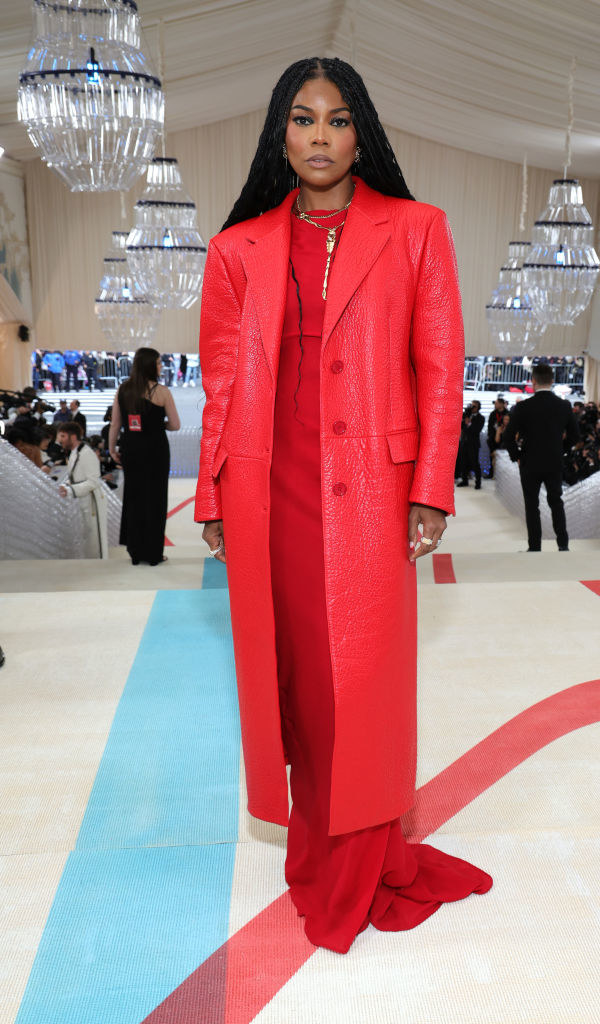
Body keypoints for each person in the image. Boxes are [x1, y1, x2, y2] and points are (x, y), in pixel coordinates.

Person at [195, 57, 492, 956]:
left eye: (336, 120)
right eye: (302, 119)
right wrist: (211, 489)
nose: (319, 136)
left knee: (354, 682)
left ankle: (362, 858)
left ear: (360, 132)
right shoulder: (235, 247)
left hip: (368, 489)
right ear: (279, 135)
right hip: (268, 487)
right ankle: (320, 842)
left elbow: (442, 371)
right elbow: (221, 381)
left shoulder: (416, 229)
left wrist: (429, 487)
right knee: (291, 674)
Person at [109, 347, 180, 566]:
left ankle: (135, 551)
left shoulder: (123, 389)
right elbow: (175, 425)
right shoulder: (162, 392)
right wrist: (160, 425)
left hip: (132, 449)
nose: (161, 366)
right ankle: (154, 554)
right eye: (158, 363)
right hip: (156, 450)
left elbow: (115, 424)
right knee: (156, 499)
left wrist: (112, 449)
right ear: (150, 365)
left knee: (134, 497)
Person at [502, 362, 579, 551]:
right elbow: (575, 436)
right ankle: (563, 545)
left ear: (533, 381)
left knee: (532, 505)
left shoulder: (523, 407)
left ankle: (535, 547)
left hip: (529, 462)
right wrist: (561, 450)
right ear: (552, 381)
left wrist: (517, 456)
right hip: (554, 461)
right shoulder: (564, 405)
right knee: (556, 502)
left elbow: (507, 436)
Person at [56, 421, 108, 559]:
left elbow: (93, 481)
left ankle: (98, 567)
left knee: (94, 538)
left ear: (73, 437)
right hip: (83, 499)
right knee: (87, 536)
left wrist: (71, 490)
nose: (59, 440)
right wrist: (67, 486)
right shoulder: (74, 452)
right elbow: (75, 476)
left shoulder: (87, 454)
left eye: (62, 436)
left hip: (92, 502)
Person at [456, 399, 484, 487]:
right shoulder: (465, 415)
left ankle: (478, 482)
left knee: (475, 462)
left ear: (478, 408)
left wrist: (469, 424)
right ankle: (464, 480)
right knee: (463, 462)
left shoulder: (481, 418)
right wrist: (465, 421)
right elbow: (460, 426)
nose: (472, 407)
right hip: (464, 442)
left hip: (473, 444)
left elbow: (476, 430)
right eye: (471, 405)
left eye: (474, 406)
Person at [486, 396, 507, 478]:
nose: (495, 405)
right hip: (492, 439)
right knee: (491, 456)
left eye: (497, 403)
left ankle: (502, 475)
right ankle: (491, 473)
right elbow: (489, 426)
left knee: (502, 457)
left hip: (503, 439)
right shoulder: (493, 414)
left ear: (502, 404)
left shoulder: (507, 413)